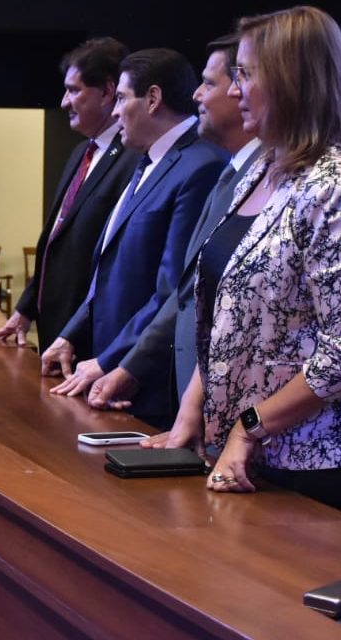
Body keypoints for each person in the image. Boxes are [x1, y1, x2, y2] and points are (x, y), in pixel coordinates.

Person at [143, 6, 341, 518]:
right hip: (242, 457)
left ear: (291, 81)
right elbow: (226, 322)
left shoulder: (340, 191)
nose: (233, 90)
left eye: (245, 74)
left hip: (318, 469)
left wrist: (250, 425)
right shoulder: (262, 167)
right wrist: (191, 414)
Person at [41, 48, 225, 427]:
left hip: (147, 385)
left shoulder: (200, 166)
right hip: (110, 375)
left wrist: (114, 361)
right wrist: (72, 335)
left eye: (122, 99)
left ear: (153, 99)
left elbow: (172, 289)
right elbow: (108, 274)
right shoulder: (145, 159)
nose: (114, 111)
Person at [87, 34, 261, 414]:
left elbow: (180, 294)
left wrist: (126, 366)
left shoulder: (205, 166)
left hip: (251, 424)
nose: (198, 95)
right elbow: (191, 290)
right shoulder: (230, 173)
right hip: (193, 398)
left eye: (210, 83)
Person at [0, 38, 141, 352]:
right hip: (54, 332)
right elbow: (57, 243)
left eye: (74, 90)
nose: (64, 102)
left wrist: (75, 334)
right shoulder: (80, 154)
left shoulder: (134, 160)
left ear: (107, 91)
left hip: (89, 343)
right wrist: (26, 309)